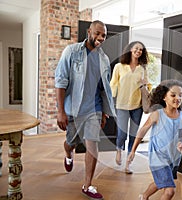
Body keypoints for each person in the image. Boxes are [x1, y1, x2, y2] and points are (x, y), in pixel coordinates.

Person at [55, 20, 115, 200]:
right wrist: (60, 112)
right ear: (89, 31)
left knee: (92, 144)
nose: (100, 38)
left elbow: (104, 88)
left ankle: (87, 185)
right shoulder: (72, 51)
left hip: (93, 110)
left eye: (104, 35)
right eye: (97, 33)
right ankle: (68, 153)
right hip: (73, 109)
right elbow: (60, 81)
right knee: (71, 142)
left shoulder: (104, 59)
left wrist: (103, 111)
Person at [127, 79, 182, 200]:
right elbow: (142, 131)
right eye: (173, 95)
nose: (177, 98)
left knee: (160, 182)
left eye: (180, 95)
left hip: (173, 159)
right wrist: (133, 151)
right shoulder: (158, 114)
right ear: (164, 97)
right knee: (170, 190)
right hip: (158, 158)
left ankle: (144, 196)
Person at [110, 41, 151, 174]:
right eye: (136, 48)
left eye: (141, 50)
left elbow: (148, 87)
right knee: (122, 133)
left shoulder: (143, 69)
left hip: (137, 106)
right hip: (121, 105)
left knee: (133, 134)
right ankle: (118, 149)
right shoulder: (119, 66)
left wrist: (145, 85)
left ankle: (128, 163)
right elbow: (113, 84)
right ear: (130, 49)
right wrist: (111, 99)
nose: (138, 51)